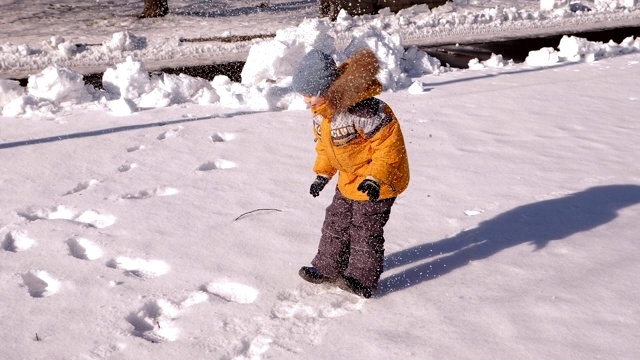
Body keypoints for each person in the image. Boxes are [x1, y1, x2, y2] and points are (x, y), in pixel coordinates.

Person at [291, 48, 410, 298]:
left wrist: (375, 178)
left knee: (364, 229)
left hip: (379, 182)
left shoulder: (366, 111)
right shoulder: (322, 115)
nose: (306, 101)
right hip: (349, 179)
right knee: (336, 221)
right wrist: (322, 174)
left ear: (326, 89)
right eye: (303, 95)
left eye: (310, 94)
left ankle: (362, 278)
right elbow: (326, 147)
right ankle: (328, 268)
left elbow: (390, 148)